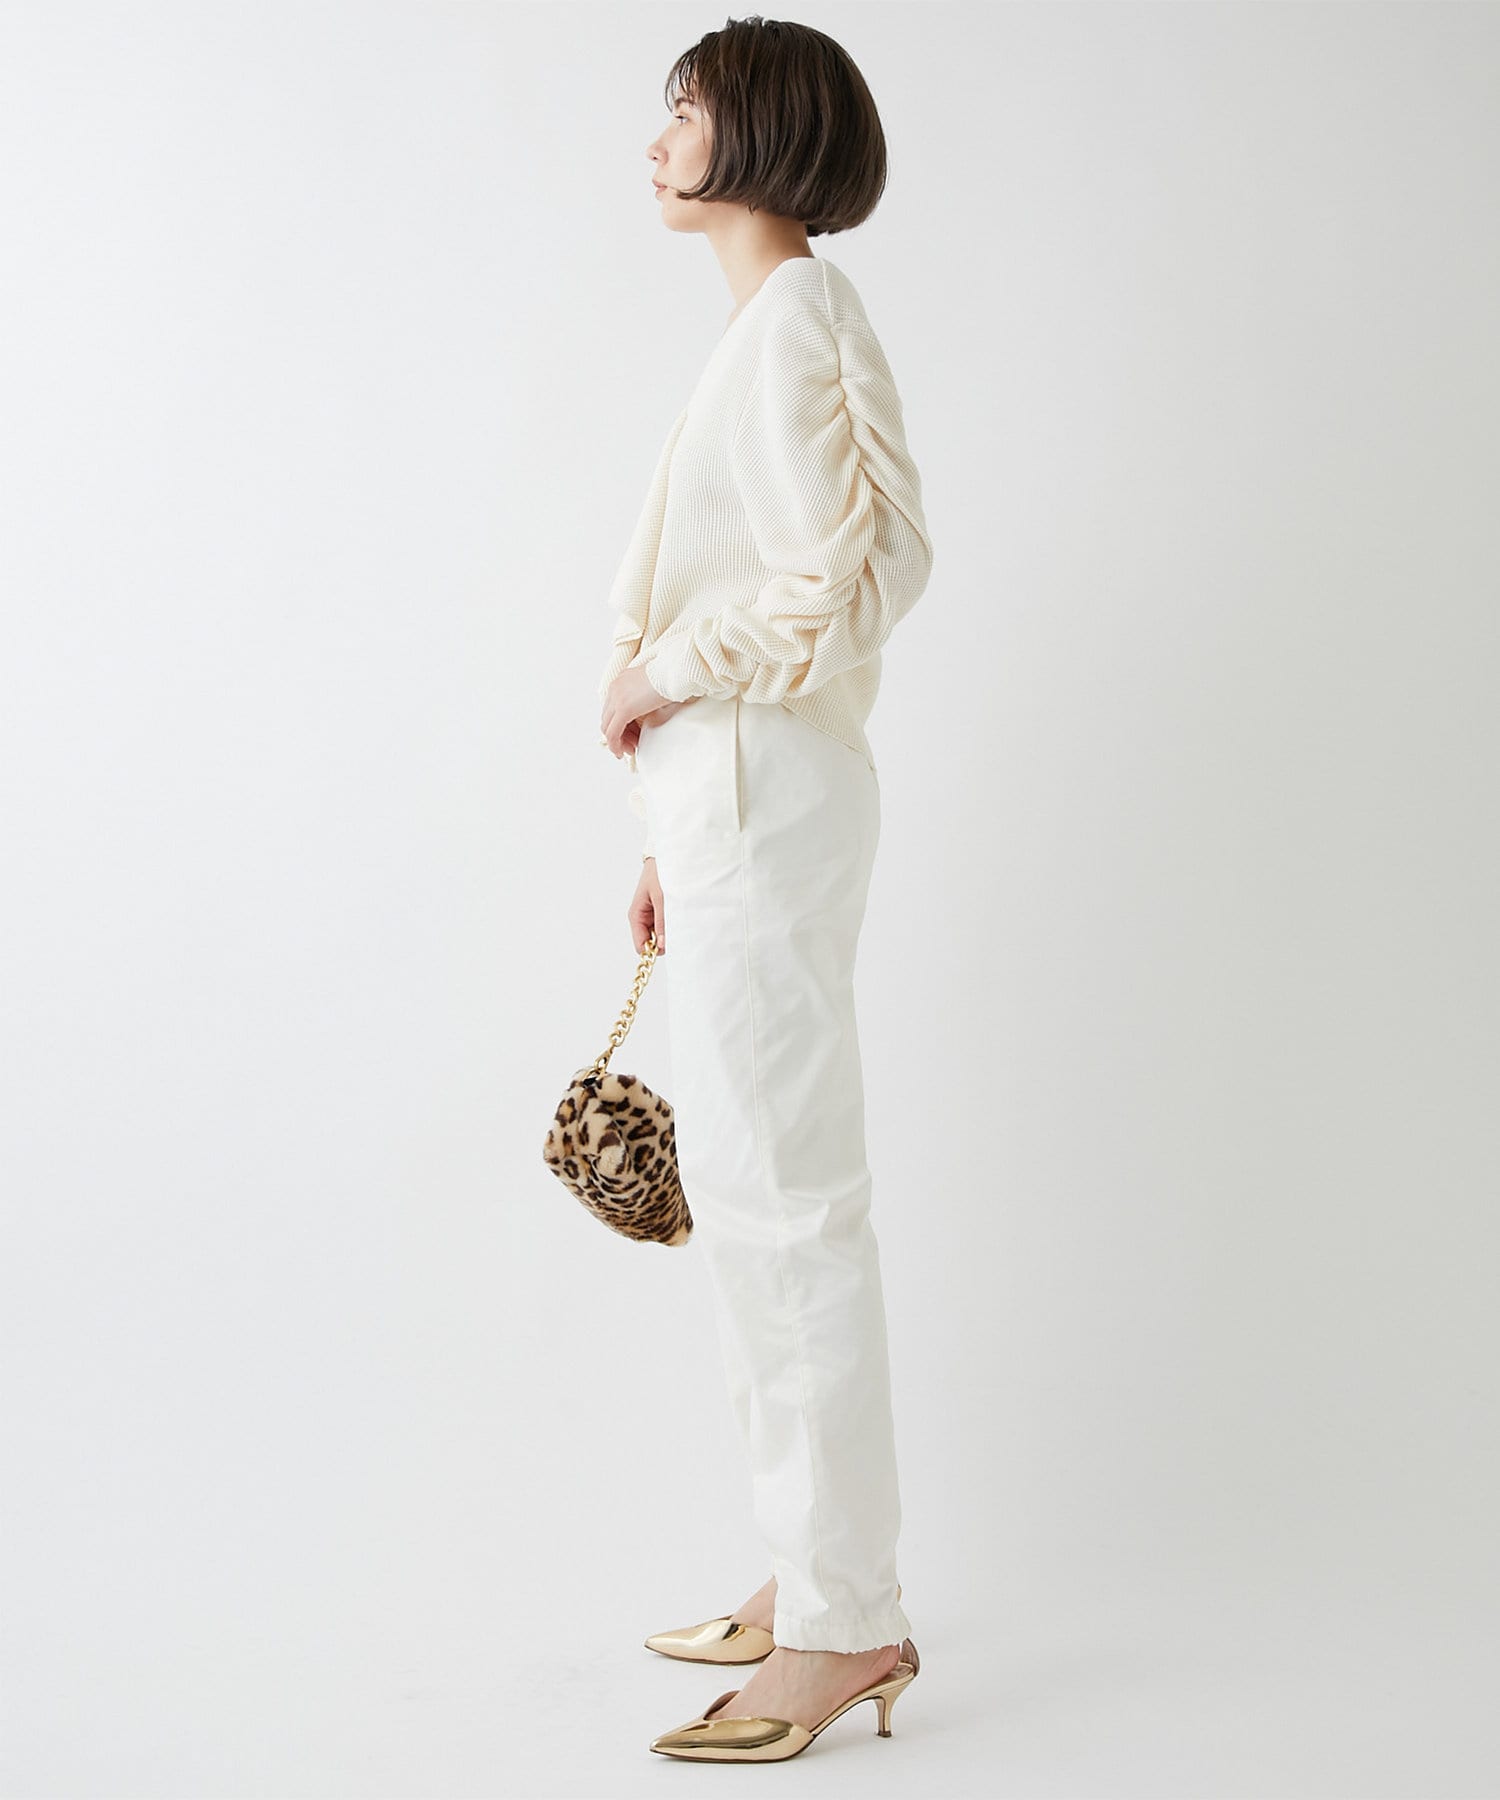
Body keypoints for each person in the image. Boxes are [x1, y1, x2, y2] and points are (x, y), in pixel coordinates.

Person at [596, 16, 933, 1765]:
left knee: (787, 1201)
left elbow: (861, 574)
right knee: (750, 1195)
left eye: (686, 110)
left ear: (765, 133)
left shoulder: (797, 313)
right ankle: (814, 1576)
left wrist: (663, 671)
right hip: (731, 807)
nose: (657, 140)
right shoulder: (765, 325)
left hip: (761, 788)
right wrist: (668, 835)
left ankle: (847, 1620)